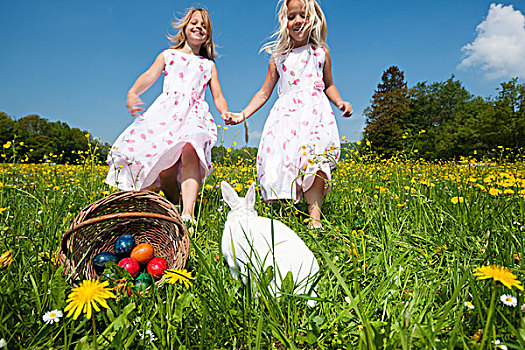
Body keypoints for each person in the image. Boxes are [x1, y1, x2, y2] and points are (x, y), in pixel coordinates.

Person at [224, 0, 352, 228]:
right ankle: (285, 219)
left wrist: (340, 101)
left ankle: (315, 221)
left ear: (313, 18)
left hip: (315, 116)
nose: (297, 21)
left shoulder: (320, 53)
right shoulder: (278, 57)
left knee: (315, 161)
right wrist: (242, 115)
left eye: (302, 15)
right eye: (291, 17)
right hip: (285, 120)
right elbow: (264, 93)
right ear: (285, 22)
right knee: (281, 164)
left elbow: (329, 85)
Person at [106, 8, 229, 223]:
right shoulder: (168, 55)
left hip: (194, 114)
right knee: (166, 171)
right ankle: (173, 204)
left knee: (192, 152)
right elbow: (149, 75)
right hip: (167, 115)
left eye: (204, 26)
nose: (199, 27)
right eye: (195, 23)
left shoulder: (208, 65)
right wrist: (133, 92)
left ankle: (188, 214)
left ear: (208, 35)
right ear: (184, 27)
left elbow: (218, 95)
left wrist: (225, 112)